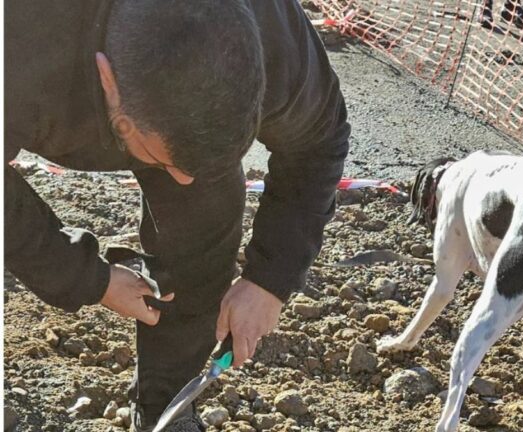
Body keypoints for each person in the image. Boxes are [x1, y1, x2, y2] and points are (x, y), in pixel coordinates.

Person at [5, 1, 350, 431]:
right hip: (45, 73)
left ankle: (163, 405)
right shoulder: (19, 39)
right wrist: (84, 275)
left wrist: (271, 279)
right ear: (108, 80)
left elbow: (319, 142)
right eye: (167, 161)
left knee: (206, 212)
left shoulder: (274, 34)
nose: (183, 182)